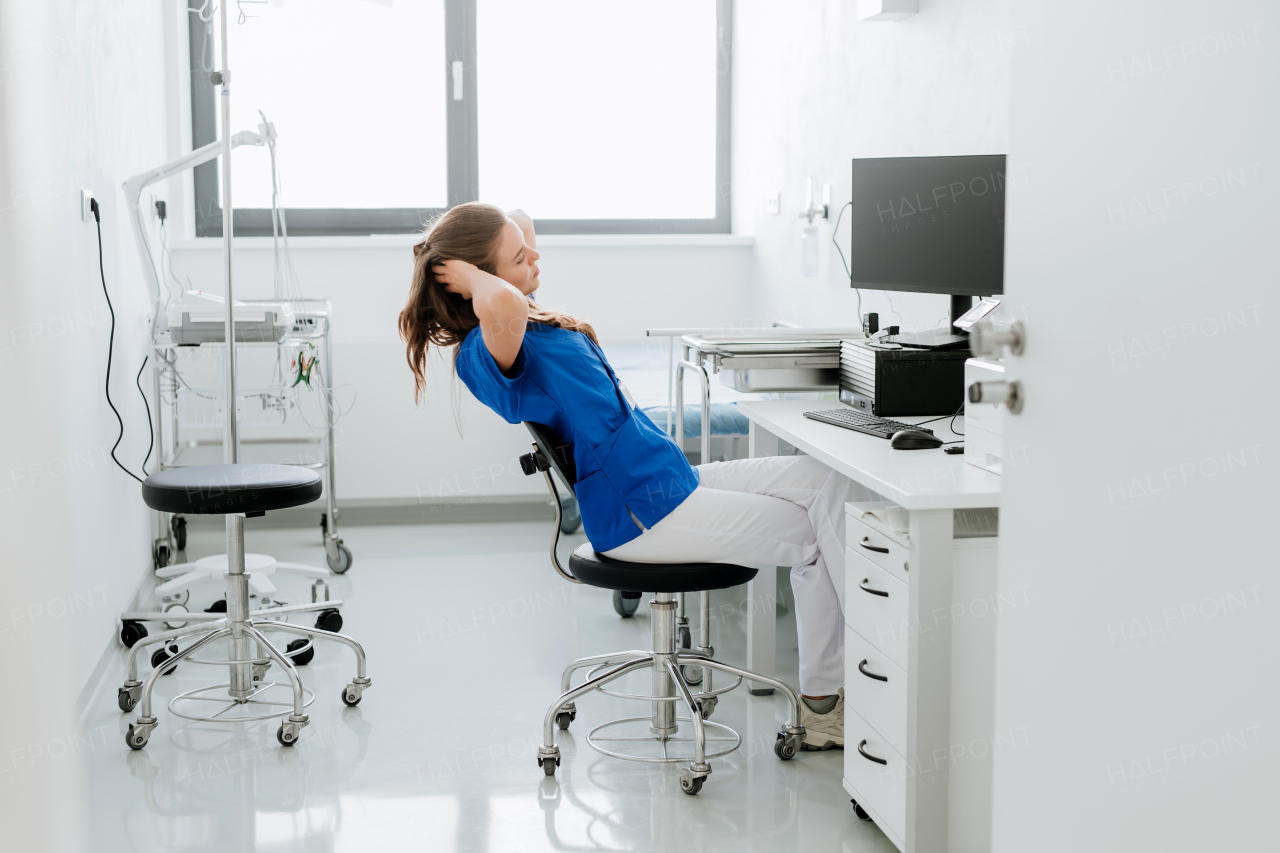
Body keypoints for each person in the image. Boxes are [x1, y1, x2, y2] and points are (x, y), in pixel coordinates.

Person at [398, 202, 873, 750]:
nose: (534, 255)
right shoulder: (483, 349)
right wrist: (469, 270)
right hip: (641, 514)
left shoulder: (529, 323)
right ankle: (830, 705)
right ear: (474, 281)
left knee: (824, 481)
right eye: (516, 255)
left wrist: (500, 241)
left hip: (667, 484)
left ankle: (869, 665)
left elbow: (516, 251)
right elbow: (502, 299)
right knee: (814, 538)